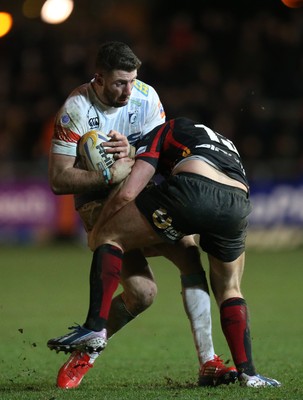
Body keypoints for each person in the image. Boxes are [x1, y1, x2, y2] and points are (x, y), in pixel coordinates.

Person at [47, 41, 236, 389]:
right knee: (142, 294)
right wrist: (107, 174)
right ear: (99, 79)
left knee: (189, 253)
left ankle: (208, 361)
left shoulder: (146, 97)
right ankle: (86, 352)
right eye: (120, 83)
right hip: (97, 199)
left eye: (132, 80)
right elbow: (59, 179)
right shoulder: (75, 109)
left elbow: (160, 155)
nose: (128, 90)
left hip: (142, 187)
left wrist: (132, 152)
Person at [49, 117, 281, 388]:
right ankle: (249, 373)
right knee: (228, 287)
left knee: (110, 236)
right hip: (236, 203)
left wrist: (99, 232)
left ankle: (94, 328)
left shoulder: (164, 128)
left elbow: (130, 190)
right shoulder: (221, 142)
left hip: (191, 191)